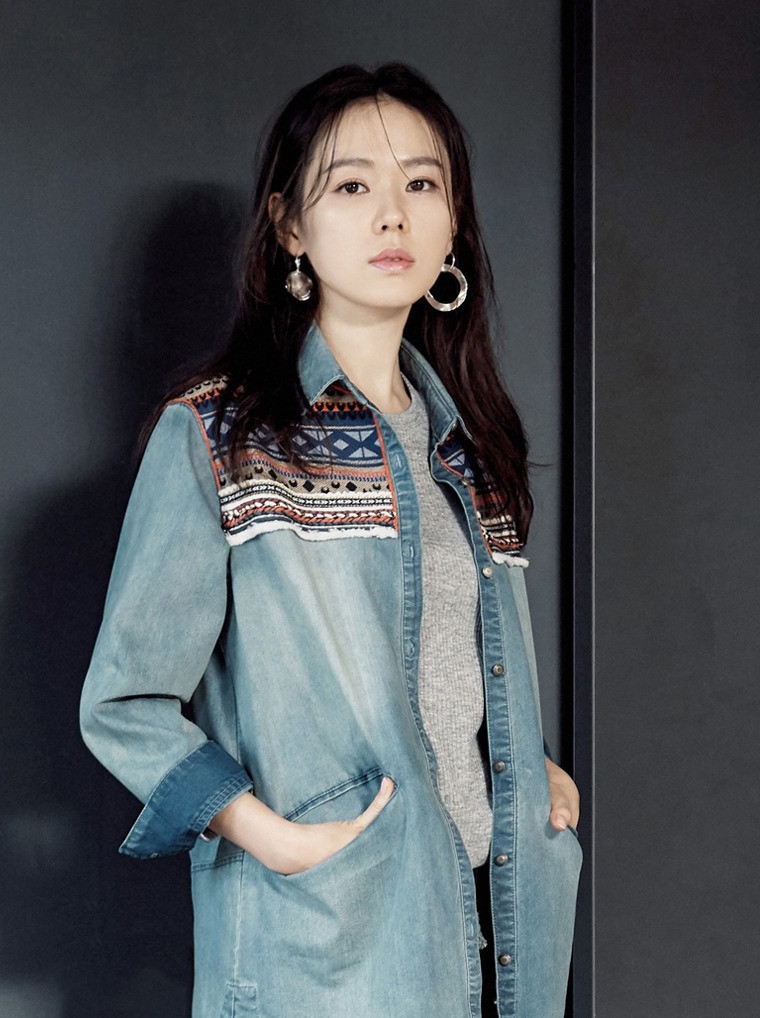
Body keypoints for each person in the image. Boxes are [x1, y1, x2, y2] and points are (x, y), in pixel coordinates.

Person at [80, 62, 582, 1018]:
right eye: (351, 186)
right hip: (333, 948)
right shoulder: (221, 435)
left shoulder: (471, 442)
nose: (392, 215)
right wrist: (272, 837)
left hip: (502, 926)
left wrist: (530, 764)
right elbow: (124, 701)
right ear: (289, 227)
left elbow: (457, 662)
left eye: (422, 183)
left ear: (453, 223)